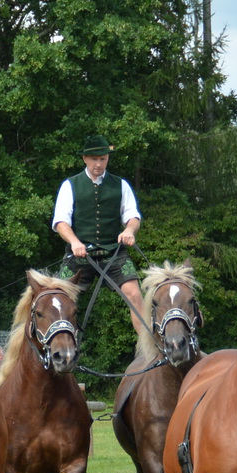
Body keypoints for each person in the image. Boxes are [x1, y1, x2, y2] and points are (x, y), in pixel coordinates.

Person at [52, 134, 145, 342]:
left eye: (103, 159)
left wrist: (129, 230)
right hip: (80, 254)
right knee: (58, 298)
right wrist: (74, 242)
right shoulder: (70, 185)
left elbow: (133, 216)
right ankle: (60, 348)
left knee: (134, 293)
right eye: (94, 159)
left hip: (114, 252)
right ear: (85, 158)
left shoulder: (120, 185)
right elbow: (60, 222)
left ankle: (150, 347)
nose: (98, 164)